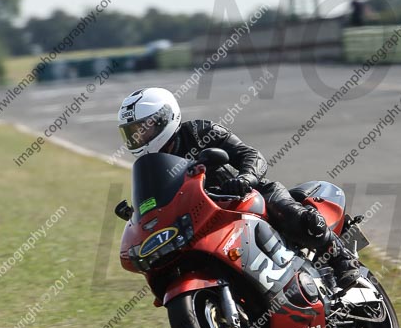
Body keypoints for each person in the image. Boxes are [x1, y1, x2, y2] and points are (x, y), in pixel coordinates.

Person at [116, 87, 362, 290]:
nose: (137, 138)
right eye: (131, 133)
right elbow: (158, 197)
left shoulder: (199, 131)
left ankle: (342, 260)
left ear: (163, 119)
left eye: (142, 129)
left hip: (246, 196)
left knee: (293, 215)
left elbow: (251, 154)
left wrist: (246, 178)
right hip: (207, 217)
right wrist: (139, 215)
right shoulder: (150, 165)